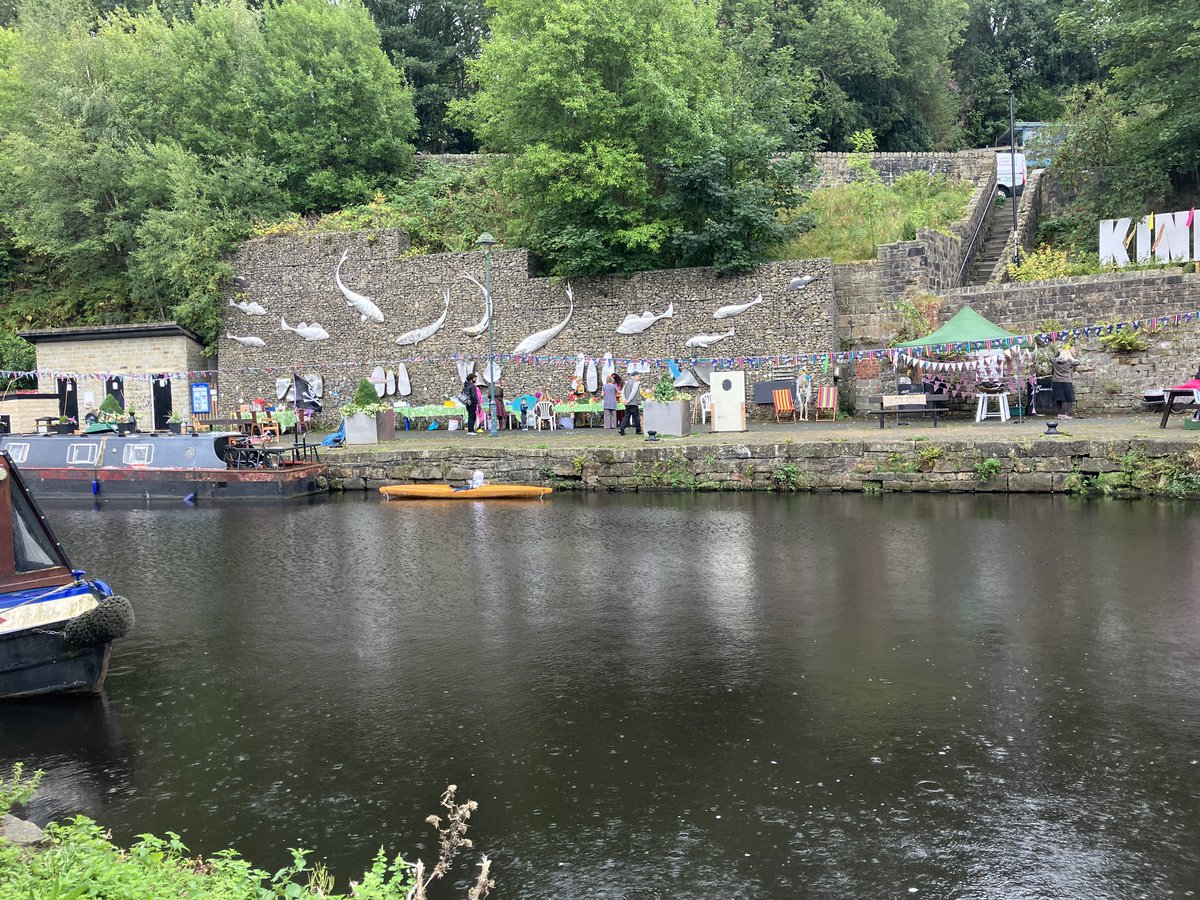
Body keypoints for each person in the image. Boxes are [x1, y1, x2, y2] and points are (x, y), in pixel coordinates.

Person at [1051, 344, 1079, 418]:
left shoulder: (1055, 361)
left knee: (1059, 398)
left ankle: (1060, 413)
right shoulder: (1069, 361)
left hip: (1056, 382)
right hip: (1067, 381)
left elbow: (1052, 358)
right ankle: (1066, 414)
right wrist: (1072, 354)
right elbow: (1077, 362)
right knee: (1068, 398)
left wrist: (1057, 352)